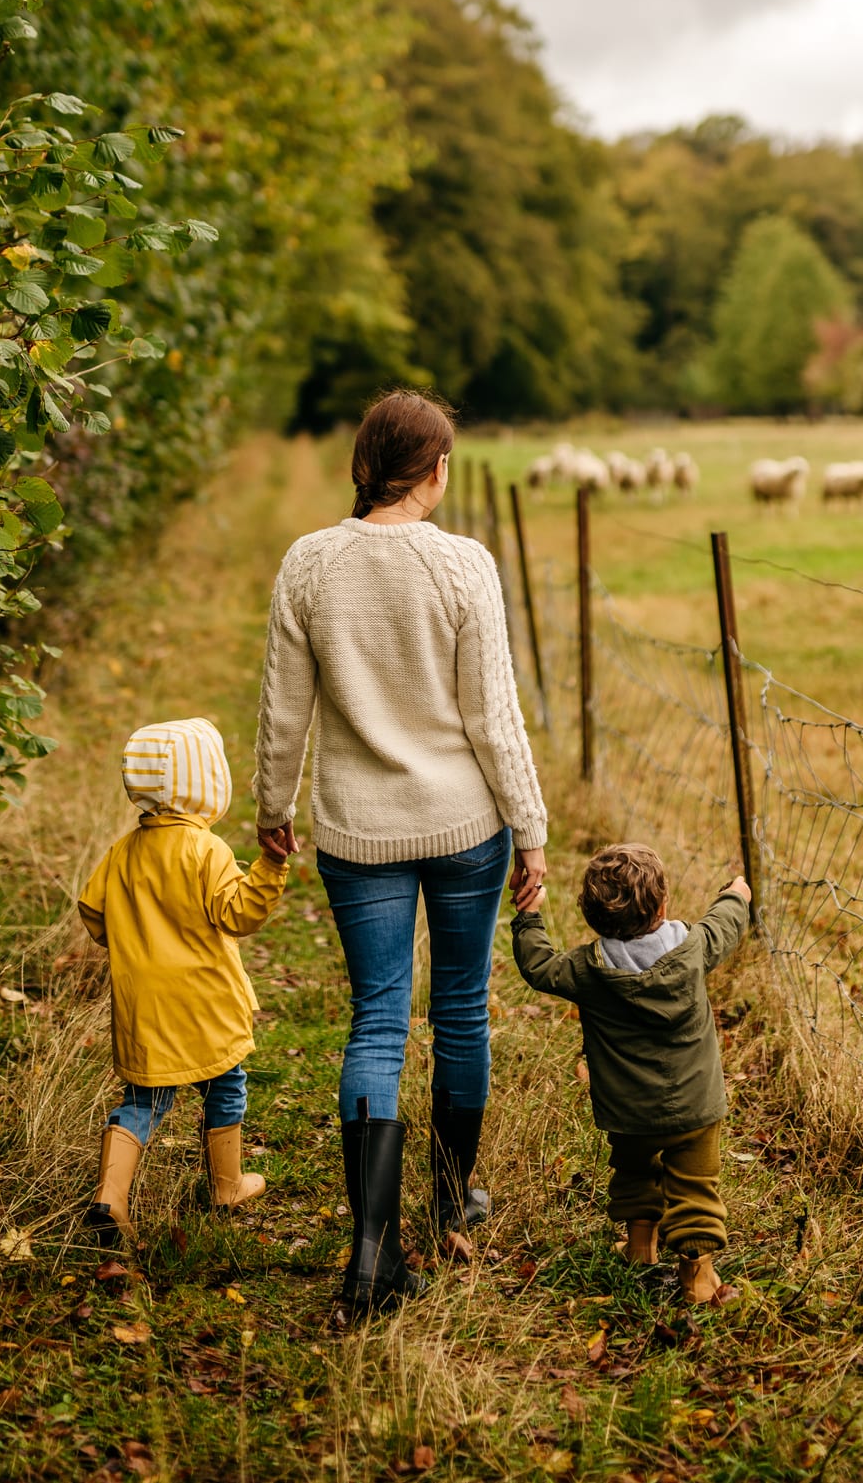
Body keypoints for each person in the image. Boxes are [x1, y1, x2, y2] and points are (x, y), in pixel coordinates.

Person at [253, 388, 548, 1325]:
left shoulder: (309, 563)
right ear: (435, 469)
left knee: (377, 1020)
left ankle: (371, 1250)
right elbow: (492, 718)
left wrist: (272, 805)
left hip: (356, 832)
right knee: (461, 1010)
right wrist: (530, 826)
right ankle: (452, 1198)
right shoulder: (464, 567)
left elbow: (282, 708)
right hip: (466, 828)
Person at [78, 717, 288, 1247]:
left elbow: (94, 915)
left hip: (144, 1005)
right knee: (225, 1084)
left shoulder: (123, 852)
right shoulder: (206, 850)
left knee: (144, 1100)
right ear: (203, 782)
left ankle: (111, 1195)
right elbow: (239, 914)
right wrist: (270, 867)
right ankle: (226, 1186)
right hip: (205, 1001)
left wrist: (132, 934)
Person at [511, 842, 750, 1307]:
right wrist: (735, 894)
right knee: (695, 1185)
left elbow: (537, 965)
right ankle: (698, 1279)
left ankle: (641, 1245)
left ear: (591, 918)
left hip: (627, 1113)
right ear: (663, 906)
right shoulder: (693, 948)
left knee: (636, 1171)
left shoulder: (586, 970)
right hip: (696, 1109)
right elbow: (726, 925)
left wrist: (529, 916)